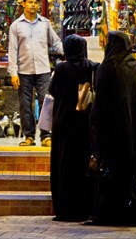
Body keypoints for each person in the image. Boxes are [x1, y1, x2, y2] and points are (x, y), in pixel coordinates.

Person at [85, 31, 136, 227]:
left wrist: (94, 122)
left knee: (113, 169)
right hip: (134, 130)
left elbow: (100, 103)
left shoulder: (106, 68)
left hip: (112, 131)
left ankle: (112, 212)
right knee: (133, 168)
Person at [48, 34, 98, 222]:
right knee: (83, 163)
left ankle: (66, 208)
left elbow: (52, 90)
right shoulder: (92, 67)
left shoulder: (61, 69)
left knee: (64, 163)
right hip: (85, 123)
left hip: (64, 123)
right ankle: (85, 206)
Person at [8, 0, 63, 147]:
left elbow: (56, 42)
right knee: (25, 105)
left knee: (46, 102)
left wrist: (68, 52)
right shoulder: (16, 26)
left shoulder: (44, 23)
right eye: (30, 2)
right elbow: (12, 50)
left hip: (43, 70)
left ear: (38, 5)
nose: (33, 5)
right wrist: (13, 72)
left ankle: (46, 135)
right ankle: (29, 136)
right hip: (24, 72)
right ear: (24, 4)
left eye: (35, 2)